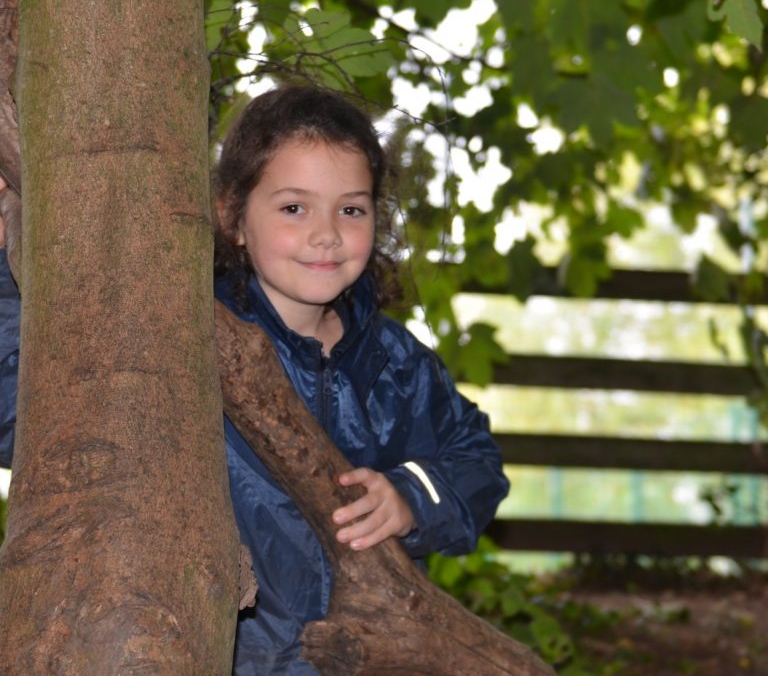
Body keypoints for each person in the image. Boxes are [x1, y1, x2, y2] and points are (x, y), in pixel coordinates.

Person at [0, 83, 510, 674]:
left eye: (351, 208)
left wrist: (412, 496)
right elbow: (27, 413)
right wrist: (8, 274)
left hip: (360, 658)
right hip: (218, 656)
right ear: (233, 217)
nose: (326, 233)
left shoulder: (395, 366)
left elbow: (477, 461)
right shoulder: (180, 342)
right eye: (294, 207)